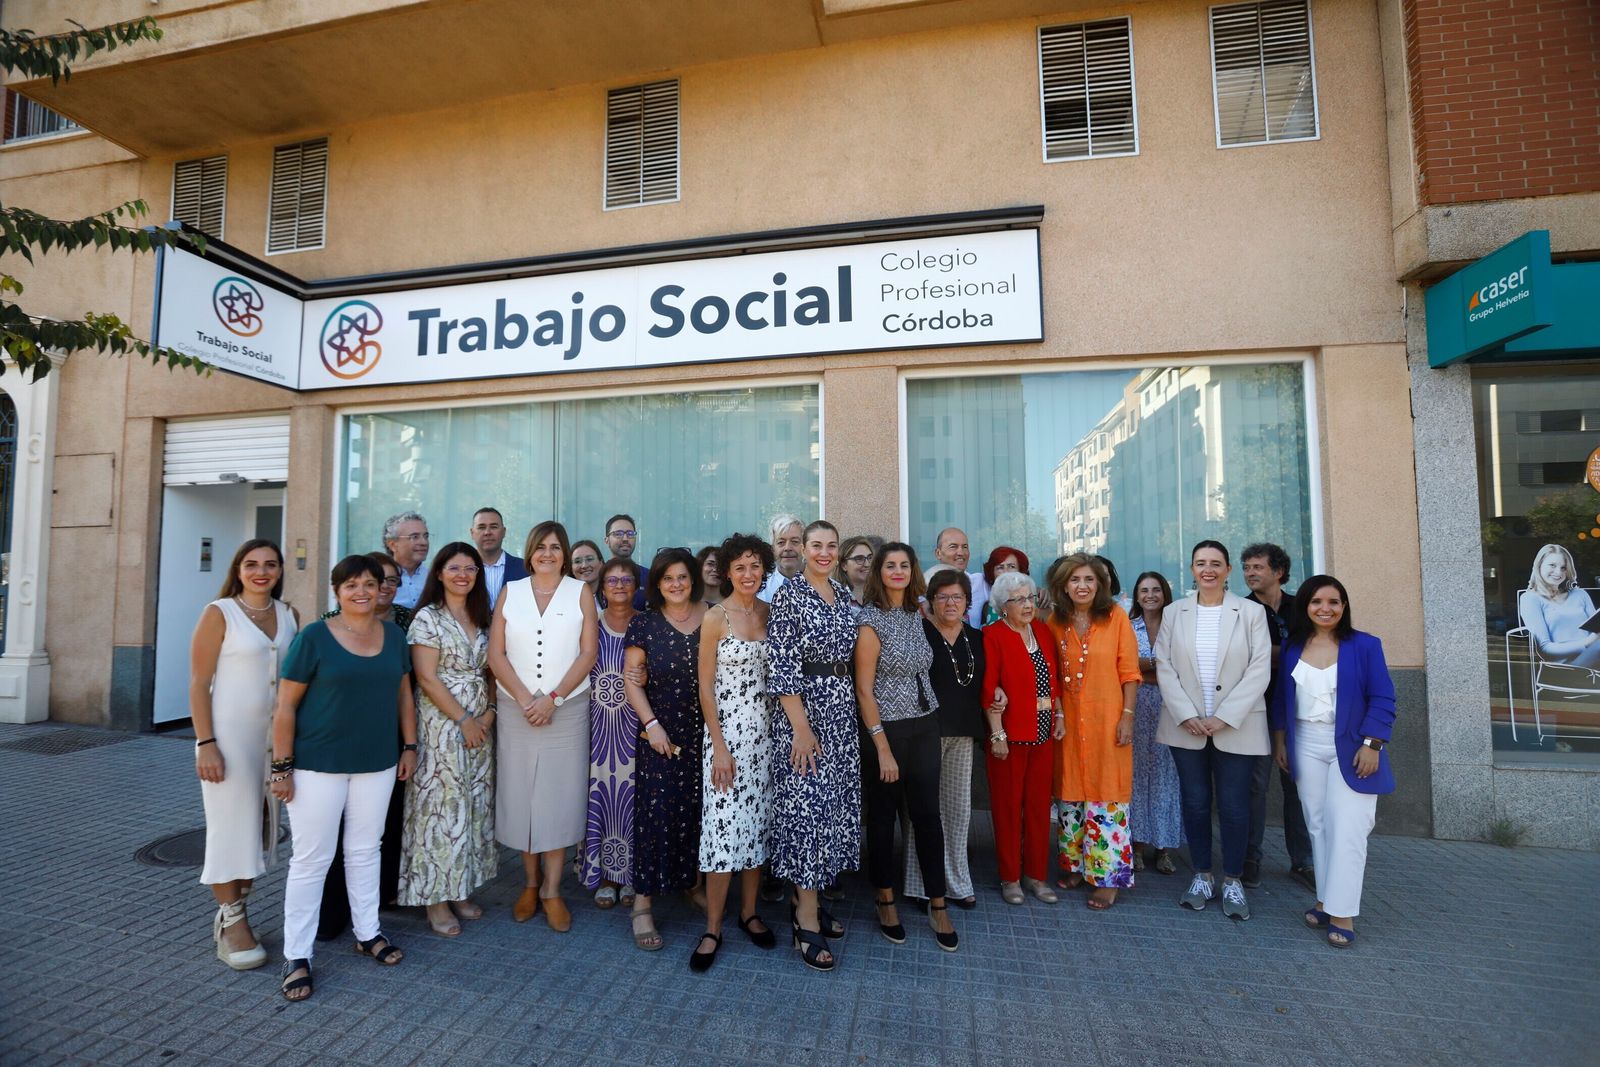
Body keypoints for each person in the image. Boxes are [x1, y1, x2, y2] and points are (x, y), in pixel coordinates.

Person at [269, 555, 420, 1003]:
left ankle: (368, 932)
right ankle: (297, 954)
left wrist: (409, 746)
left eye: (370, 584)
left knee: (365, 850)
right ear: (337, 591)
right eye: (351, 585)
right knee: (311, 859)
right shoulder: (314, 637)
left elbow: (404, 696)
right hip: (318, 764)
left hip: (378, 761)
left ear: (381, 589)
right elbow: (285, 706)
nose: (362, 592)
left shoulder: (394, 636)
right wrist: (281, 767)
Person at [189, 539, 300, 970]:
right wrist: (206, 743)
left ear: (280, 570)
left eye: (270, 564)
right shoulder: (220, 613)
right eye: (251, 564)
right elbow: (199, 684)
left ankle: (237, 907)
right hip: (228, 741)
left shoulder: (290, 615)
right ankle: (232, 919)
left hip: (275, 742)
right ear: (238, 569)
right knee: (229, 826)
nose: (261, 571)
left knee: (259, 827)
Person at [1270, 575, 1397, 948]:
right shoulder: (1293, 646)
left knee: (1349, 828)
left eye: (1334, 602)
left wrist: (1373, 744)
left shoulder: (1365, 645)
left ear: (1344, 606)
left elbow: (1383, 698)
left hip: (1354, 746)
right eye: (1316, 602)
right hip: (1305, 743)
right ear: (1305, 606)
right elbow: (1282, 699)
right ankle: (1325, 900)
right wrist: (1280, 741)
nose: (1325, 608)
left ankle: (1343, 913)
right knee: (1318, 826)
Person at [488, 520, 599, 932]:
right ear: (530, 552)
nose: (547, 554)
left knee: (557, 798)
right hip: (516, 708)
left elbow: (588, 653)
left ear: (564, 553)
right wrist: (524, 698)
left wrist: (553, 699)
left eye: (555, 547)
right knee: (522, 797)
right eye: (540, 547)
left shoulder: (580, 591)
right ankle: (530, 883)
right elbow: (496, 654)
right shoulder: (511, 591)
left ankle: (552, 889)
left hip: (565, 708)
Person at [1155, 540, 1271, 921]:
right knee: (1195, 801)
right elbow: (1164, 665)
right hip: (1185, 725)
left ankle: (1233, 879)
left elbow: (1260, 669)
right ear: (1192, 569)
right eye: (1201, 563)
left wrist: (1224, 717)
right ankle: (1202, 874)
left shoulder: (1251, 613)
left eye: (1216, 563)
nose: (1208, 569)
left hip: (1237, 725)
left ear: (1228, 570)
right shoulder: (1174, 612)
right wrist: (1186, 713)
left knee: (1235, 806)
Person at [855, 543, 959, 951]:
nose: (897, 571)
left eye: (904, 565)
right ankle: (885, 899)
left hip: (924, 724)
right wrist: (882, 748)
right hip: (887, 731)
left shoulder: (917, 613)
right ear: (879, 572)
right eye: (890, 565)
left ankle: (938, 903)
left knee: (928, 816)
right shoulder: (869, 620)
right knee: (883, 819)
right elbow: (864, 690)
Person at [767, 520, 860, 971]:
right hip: (804, 715)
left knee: (830, 813)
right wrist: (801, 730)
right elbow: (782, 666)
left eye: (831, 545)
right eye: (816, 545)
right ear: (803, 549)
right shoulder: (789, 595)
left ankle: (812, 900)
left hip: (841, 714)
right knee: (808, 813)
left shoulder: (842, 594)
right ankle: (804, 917)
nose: (824, 552)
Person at [396, 542, 497, 937]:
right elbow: (426, 677)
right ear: (439, 573)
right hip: (441, 726)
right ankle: (434, 898)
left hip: (480, 726)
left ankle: (460, 889)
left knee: (472, 807)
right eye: (454, 568)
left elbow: (492, 670)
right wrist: (464, 719)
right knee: (438, 808)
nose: (463, 575)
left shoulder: (483, 616)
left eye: (470, 569)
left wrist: (489, 713)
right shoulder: (427, 617)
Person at [692, 533, 779, 971]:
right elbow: (705, 687)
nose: (748, 573)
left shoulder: (770, 612)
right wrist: (720, 748)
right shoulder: (715, 617)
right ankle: (712, 928)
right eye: (740, 567)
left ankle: (749, 913)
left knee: (757, 826)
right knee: (722, 831)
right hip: (726, 739)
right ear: (727, 571)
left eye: (755, 565)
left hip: (767, 738)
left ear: (764, 569)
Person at [315, 549, 412, 942]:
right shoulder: (326, 627)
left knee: (378, 831)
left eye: (388, 581)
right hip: (337, 741)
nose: (381, 588)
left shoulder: (404, 623)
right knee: (336, 832)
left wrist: (410, 743)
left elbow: (406, 688)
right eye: (374, 581)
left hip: (390, 736)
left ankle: (376, 907)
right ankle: (331, 912)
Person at [1045, 554, 1141, 910]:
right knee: (1070, 793)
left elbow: (1130, 672)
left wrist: (1127, 717)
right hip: (1068, 723)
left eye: (1089, 579)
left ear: (1100, 584)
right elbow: (1050, 673)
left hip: (1107, 721)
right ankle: (1075, 866)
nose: (1082, 586)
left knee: (1107, 793)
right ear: (1063, 585)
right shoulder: (1055, 621)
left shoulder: (1116, 617)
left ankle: (1108, 878)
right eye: (1074, 580)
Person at [624, 547, 708, 952]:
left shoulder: (713, 615)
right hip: (661, 736)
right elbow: (631, 680)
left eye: (682, 577)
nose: (676, 584)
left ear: (693, 579)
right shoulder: (644, 623)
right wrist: (652, 725)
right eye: (668, 578)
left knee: (698, 812)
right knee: (656, 816)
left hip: (707, 731)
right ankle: (642, 903)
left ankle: (692, 884)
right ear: (657, 584)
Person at [905, 569, 988, 910]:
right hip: (924, 733)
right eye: (942, 597)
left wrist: (998, 693)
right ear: (930, 601)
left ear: (967, 601)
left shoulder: (978, 638)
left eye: (957, 597)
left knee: (957, 812)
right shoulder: (919, 633)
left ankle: (956, 882)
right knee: (924, 811)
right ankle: (921, 885)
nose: (950, 603)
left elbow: (990, 680)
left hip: (963, 733)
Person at [981, 569, 1063, 906]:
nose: (1028, 605)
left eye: (1029, 597)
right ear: (1003, 606)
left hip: (1043, 734)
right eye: (1018, 600)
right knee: (1008, 810)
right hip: (1009, 738)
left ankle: (1036, 875)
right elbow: (989, 688)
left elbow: (1054, 680)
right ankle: (1010, 877)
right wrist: (997, 734)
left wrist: (1059, 715)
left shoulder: (1042, 631)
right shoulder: (993, 635)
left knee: (1039, 808)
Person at [1241, 542, 1314, 890]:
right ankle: (1250, 858)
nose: (1250, 573)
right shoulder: (1240, 611)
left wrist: (1270, 654)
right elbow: (1243, 656)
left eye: (1257, 567)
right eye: (1247, 567)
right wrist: (1289, 653)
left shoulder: (1302, 608)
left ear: (1279, 571)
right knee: (1254, 787)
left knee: (1297, 785)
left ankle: (1303, 861)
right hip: (1254, 708)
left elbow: (1315, 653)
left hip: (1298, 707)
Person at [581, 557, 641, 909]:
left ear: (636, 586)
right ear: (602, 588)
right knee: (600, 795)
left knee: (632, 798)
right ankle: (604, 875)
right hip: (598, 728)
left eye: (626, 579)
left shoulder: (647, 624)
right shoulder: (589, 625)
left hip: (635, 727)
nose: (619, 586)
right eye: (612, 580)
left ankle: (630, 874)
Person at [1128, 571, 1183, 875]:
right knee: (1136, 777)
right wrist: (1158, 666)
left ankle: (1163, 849)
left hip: (1171, 707)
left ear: (1165, 594)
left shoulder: (1177, 627)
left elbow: (1183, 668)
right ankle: (1136, 846)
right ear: (1137, 596)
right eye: (1144, 590)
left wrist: (1145, 669)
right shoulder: (1128, 627)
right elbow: (1124, 667)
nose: (1150, 595)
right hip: (1135, 708)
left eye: (1156, 590)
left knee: (1166, 778)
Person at [1520, 543, 1600, 669]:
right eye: (1552, 565)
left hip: (1594, 655)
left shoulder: (1580, 594)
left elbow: (1596, 628)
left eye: (1563, 568)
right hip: (1564, 665)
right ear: (1539, 565)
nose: (1558, 572)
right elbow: (1544, 648)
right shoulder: (1530, 599)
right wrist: (1587, 643)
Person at [470, 506, 527, 608]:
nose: (487, 532)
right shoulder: (462, 571)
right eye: (481, 527)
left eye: (494, 527)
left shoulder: (525, 568)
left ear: (504, 532)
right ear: (472, 533)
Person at [383, 511, 431, 610]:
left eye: (426, 536)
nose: (424, 542)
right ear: (393, 545)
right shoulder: (378, 578)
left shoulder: (435, 578)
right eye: (415, 537)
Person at [603, 514, 649, 609]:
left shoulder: (649, 576)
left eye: (630, 534)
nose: (625, 539)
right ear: (607, 540)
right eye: (618, 534)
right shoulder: (598, 575)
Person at [758, 514, 804, 602]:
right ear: (773, 548)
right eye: (781, 542)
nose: (787, 548)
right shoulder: (759, 587)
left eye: (795, 541)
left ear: (804, 547)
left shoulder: (821, 585)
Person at [977, 546, 1028, 626]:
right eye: (1000, 568)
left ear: (1020, 571)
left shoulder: (1032, 601)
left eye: (1011, 566)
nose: (1006, 572)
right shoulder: (986, 607)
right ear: (992, 573)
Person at [836, 535, 875, 609]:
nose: (867, 564)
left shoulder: (881, 595)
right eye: (859, 559)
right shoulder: (835, 597)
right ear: (844, 565)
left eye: (870, 557)